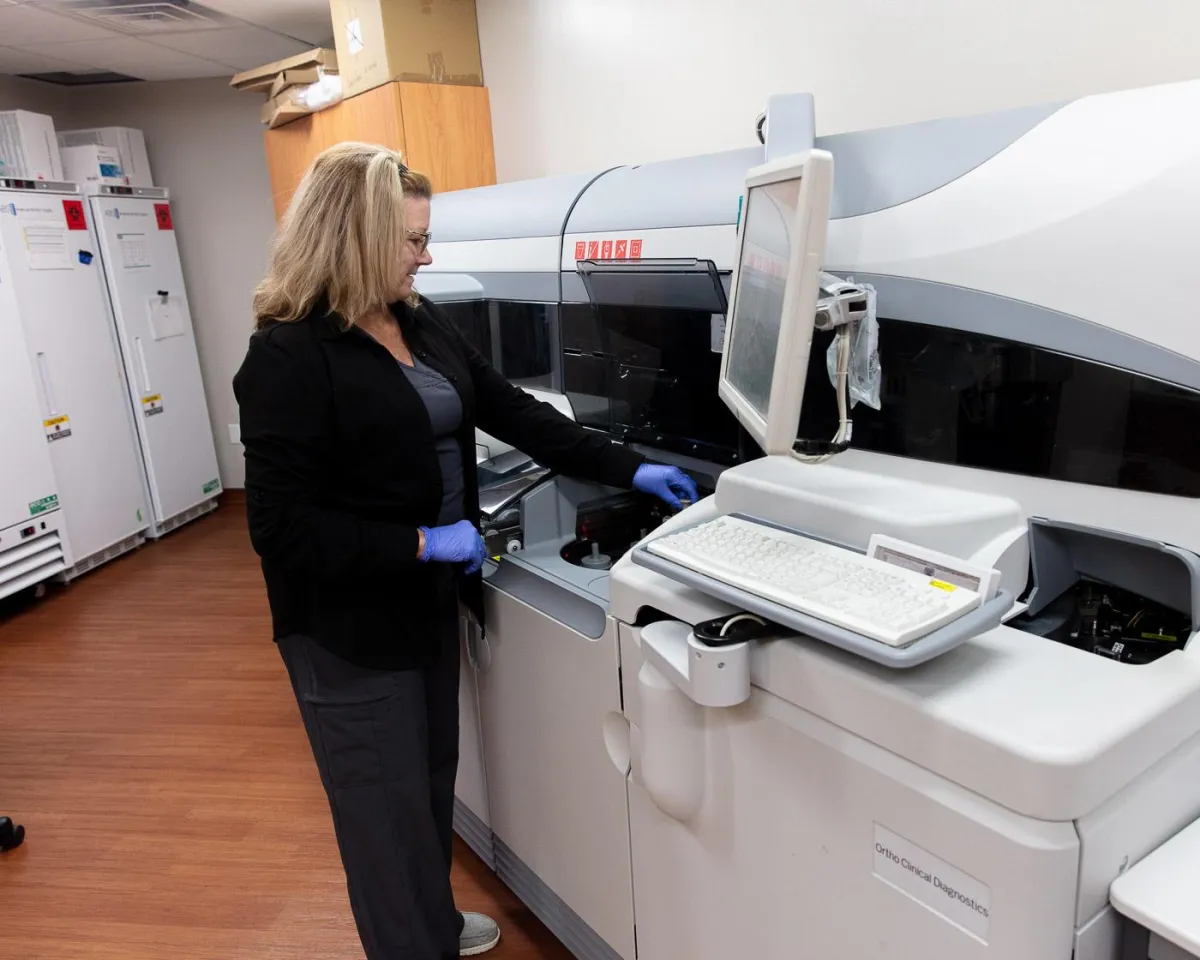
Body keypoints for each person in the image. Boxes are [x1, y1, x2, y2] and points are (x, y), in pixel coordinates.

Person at [232, 141, 697, 960]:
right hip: (346, 631)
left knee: (426, 784)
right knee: (381, 815)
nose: (427, 254)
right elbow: (282, 530)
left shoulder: (415, 318)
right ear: (357, 239)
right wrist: (421, 540)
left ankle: (434, 925)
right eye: (412, 240)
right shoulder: (287, 358)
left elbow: (513, 410)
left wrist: (630, 465)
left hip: (426, 605)